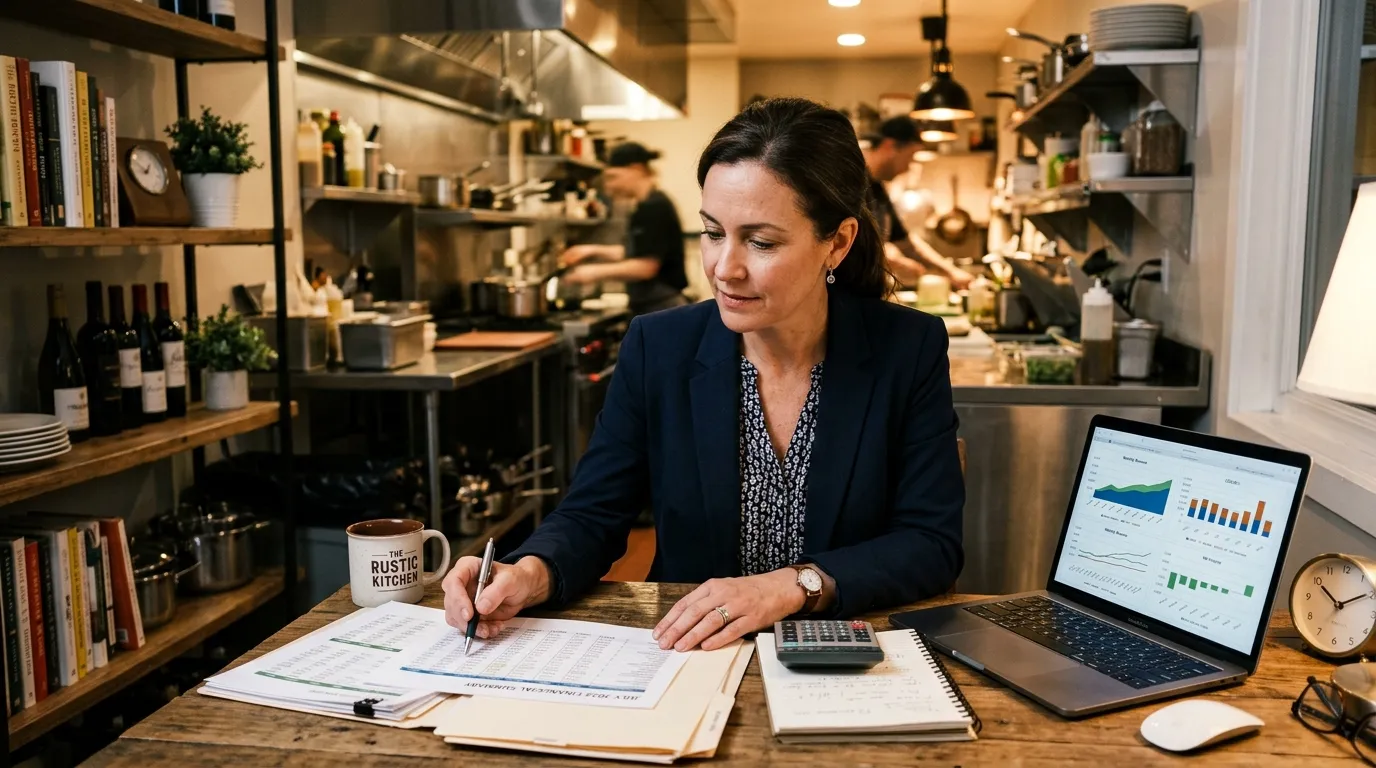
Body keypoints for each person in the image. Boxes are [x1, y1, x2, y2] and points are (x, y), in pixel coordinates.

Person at [442, 97, 965, 652]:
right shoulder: (659, 346)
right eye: (713, 233)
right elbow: (594, 512)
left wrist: (795, 586)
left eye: (761, 242)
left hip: (843, 656)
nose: (724, 268)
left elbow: (930, 543)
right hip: (689, 656)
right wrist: (530, 571)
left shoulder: (906, 347)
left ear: (836, 242)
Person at [558, 142, 690, 315]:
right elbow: (640, 251)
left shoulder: (654, 206)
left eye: (613, 177)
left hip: (662, 307)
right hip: (655, 305)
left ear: (636, 169)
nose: (609, 186)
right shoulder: (646, 205)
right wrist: (591, 250)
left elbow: (646, 267)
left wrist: (592, 272)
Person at [862, 117, 973, 290]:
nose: (908, 167)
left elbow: (906, 243)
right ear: (890, 146)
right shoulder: (852, 183)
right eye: (911, 156)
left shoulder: (877, 189)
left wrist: (951, 272)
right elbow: (849, 242)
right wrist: (893, 259)